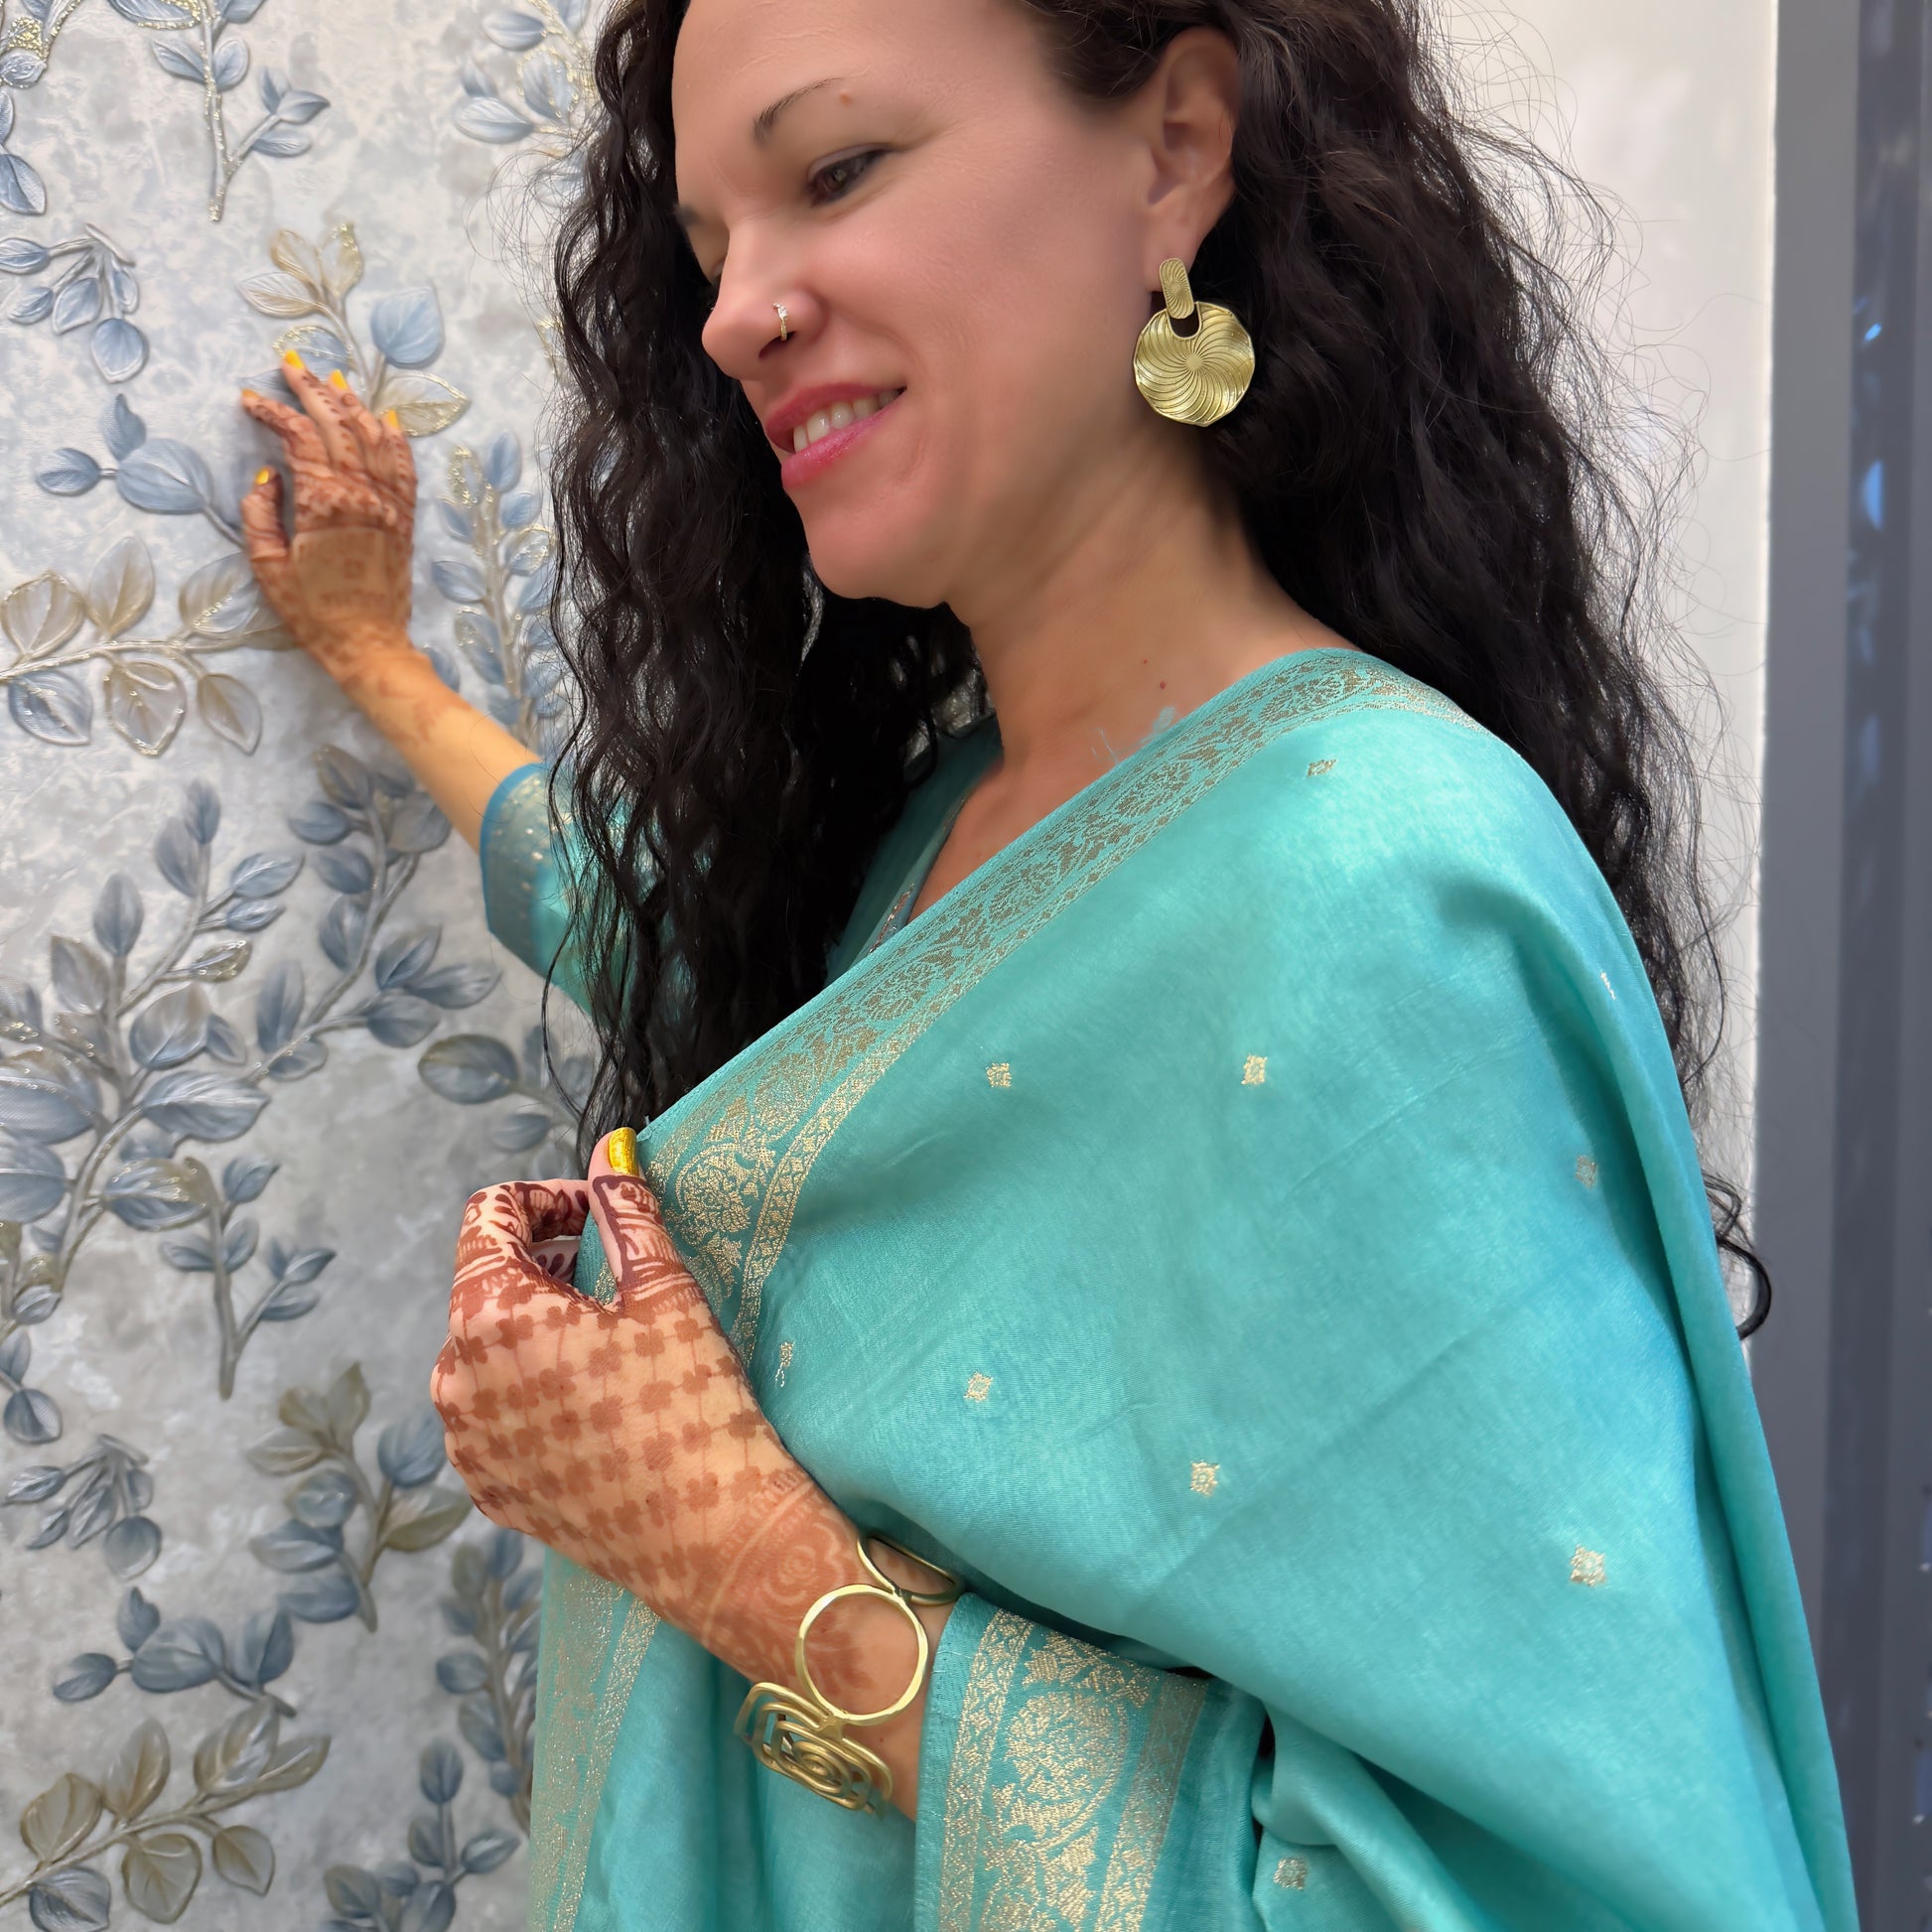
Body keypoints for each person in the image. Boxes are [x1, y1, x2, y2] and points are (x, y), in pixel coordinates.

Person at [236, 0, 1859, 1925]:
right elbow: (639, 920)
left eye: (836, 168)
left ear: (1173, 149)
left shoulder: (1375, 889)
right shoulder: (944, 826)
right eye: (708, 249)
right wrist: (378, 662)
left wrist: (738, 1555)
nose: (736, 314)